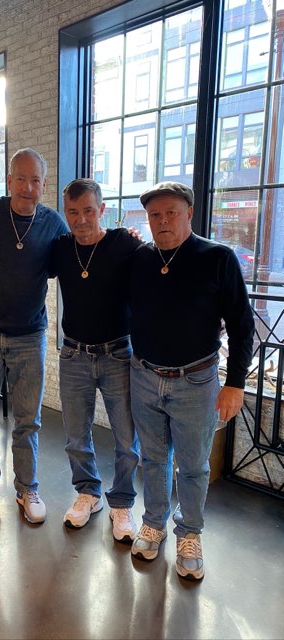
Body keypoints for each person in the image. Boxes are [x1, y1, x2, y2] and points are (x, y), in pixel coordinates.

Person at [129, 181, 254, 579]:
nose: (163, 221)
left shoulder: (218, 257)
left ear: (189, 214)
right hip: (144, 375)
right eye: (155, 215)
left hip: (196, 382)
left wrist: (235, 384)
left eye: (172, 213)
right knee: (152, 458)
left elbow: (242, 325)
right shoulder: (140, 258)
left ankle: (189, 533)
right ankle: (153, 522)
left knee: (194, 466)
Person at [0, 148, 68, 524]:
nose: (27, 187)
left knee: (28, 420)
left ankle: (27, 488)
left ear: (44, 185)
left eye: (35, 180)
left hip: (30, 335)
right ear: (9, 181)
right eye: (20, 179)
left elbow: (78, 258)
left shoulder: (53, 223)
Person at [50, 179, 141, 539]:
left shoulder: (124, 242)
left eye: (89, 210)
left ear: (102, 209)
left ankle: (122, 502)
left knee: (126, 438)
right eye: (73, 212)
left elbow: (158, 273)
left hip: (118, 354)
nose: (81, 219)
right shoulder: (60, 248)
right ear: (65, 212)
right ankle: (88, 493)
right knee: (76, 435)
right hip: (74, 354)